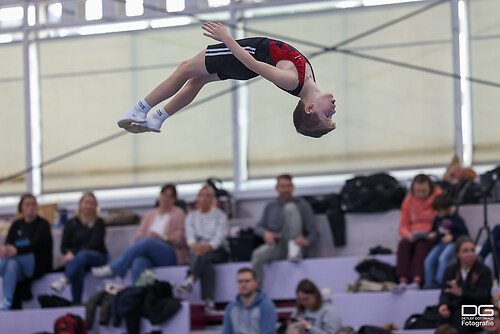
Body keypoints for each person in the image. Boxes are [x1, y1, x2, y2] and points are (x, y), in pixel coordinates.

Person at [117, 21, 336, 138]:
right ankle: (158, 118)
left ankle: (140, 109)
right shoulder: (308, 80)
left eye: (326, 115)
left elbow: (254, 64)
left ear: (309, 108)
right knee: (196, 81)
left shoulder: (291, 81)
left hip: (245, 55)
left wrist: (227, 39)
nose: (333, 110)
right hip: (245, 61)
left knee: (185, 69)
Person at [92, 184, 182, 283]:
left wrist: (162, 238)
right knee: (138, 262)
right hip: (149, 253)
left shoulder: (179, 214)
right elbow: (138, 237)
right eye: (164, 195)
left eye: (170, 197)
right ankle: (137, 295)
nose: (166, 199)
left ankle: (113, 268)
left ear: (174, 200)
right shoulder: (149, 215)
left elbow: (180, 238)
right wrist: (149, 239)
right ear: (159, 196)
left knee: (148, 241)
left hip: (168, 252)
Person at [251, 174, 317, 286]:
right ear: (277, 188)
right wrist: (266, 233)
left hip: (296, 244)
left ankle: (294, 250)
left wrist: (306, 241)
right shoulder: (270, 206)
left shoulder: (302, 205)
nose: (286, 189)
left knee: (290, 207)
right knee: (257, 255)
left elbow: (313, 232)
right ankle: (257, 292)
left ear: (293, 187)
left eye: (288, 186)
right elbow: (258, 227)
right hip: (277, 244)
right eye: (282, 186)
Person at [177, 185, 229, 311]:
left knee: (203, 255)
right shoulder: (191, 217)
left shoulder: (220, 215)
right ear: (197, 199)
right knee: (207, 265)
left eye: (208, 196)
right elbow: (190, 237)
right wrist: (196, 246)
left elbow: (220, 237)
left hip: (217, 250)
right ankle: (209, 300)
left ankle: (190, 278)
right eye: (201, 195)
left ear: (213, 199)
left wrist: (208, 246)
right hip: (198, 250)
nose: (204, 199)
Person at [50, 192, 108, 304]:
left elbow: (94, 244)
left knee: (83, 254)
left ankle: (65, 280)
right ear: (80, 204)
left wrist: (73, 253)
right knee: (78, 268)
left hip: (97, 258)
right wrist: (69, 253)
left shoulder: (99, 223)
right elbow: (63, 247)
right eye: (87, 202)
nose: (89, 206)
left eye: (92, 203)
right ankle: (76, 303)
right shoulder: (71, 223)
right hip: (78, 261)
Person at [0, 194, 53, 310]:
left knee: (10, 259)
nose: (31, 207)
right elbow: (8, 244)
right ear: (21, 208)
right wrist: (6, 250)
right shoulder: (16, 225)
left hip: (36, 265)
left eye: (33, 204)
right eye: (27, 204)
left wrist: (16, 250)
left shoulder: (43, 224)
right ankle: (7, 302)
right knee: (11, 265)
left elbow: (36, 245)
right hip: (18, 267)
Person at [396, 174, 442, 290]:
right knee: (403, 244)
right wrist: (407, 235)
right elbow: (402, 226)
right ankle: (403, 279)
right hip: (413, 234)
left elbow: (444, 220)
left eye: (424, 191)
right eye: (418, 191)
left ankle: (417, 280)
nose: (421, 194)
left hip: (431, 235)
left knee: (422, 246)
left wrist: (436, 233)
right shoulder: (408, 202)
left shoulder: (438, 199)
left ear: (430, 189)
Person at [438, 236, 492, 333]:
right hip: (456, 308)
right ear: (457, 254)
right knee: (442, 316)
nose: (470, 254)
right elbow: (445, 291)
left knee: (462, 316)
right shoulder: (451, 270)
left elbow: (483, 296)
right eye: (465, 251)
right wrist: (443, 305)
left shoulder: (483, 271)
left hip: (478, 310)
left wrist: (463, 293)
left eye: (472, 250)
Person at [424, 194, 469, 289]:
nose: (437, 213)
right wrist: (433, 234)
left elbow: (464, 234)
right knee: (428, 260)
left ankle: (439, 282)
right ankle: (428, 283)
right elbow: (434, 229)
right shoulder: (438, 218)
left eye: (439, 211)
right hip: (441, 243)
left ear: (448, 209)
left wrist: (453, 237)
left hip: (452, 243)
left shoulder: (456, 219)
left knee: (443, 258)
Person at [221, 267, 277, 334]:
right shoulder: (230, 308)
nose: (243, 284)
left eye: (247, 281)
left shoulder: (267, 306)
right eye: (240, 281)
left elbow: (268, 332)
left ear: (255, 283)